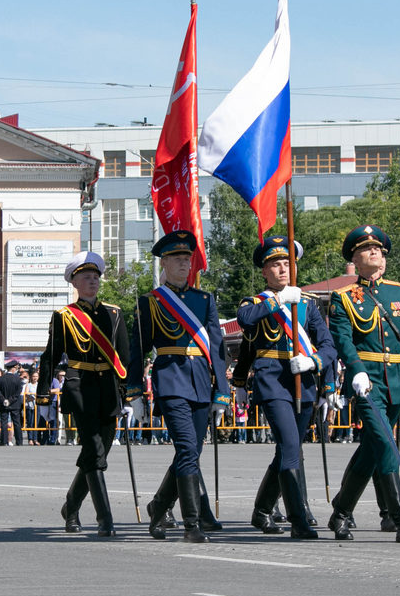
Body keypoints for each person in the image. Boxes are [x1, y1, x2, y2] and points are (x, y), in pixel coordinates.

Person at [125, 230, 231, 543]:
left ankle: (159, 506)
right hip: (170, 380)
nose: (185, 264)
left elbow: (217, 347)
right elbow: (138, 349)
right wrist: (134, 393)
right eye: (178, 259)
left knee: (190, 453)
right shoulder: (151, 302)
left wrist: (222, 390)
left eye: (188, 258)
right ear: (165, 263)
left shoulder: (204, 300)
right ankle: (191, 524)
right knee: (187, 449)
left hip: (201, 381)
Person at [325, 225, 400, 544]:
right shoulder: (344, 296)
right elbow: (343, 339)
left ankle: (341, 512)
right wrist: (355, 370)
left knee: (372, 448)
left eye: (378, 249)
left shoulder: (399, 292)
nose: (375, 253)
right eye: (367, 249)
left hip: (395, 382)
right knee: (383, 442)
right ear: (354, 257)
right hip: (367, 383)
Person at [235, 235, 337, 540]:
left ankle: (262, 510)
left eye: (287, 264)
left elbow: (328, 345)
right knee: (291, 446)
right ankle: (298, 519)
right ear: (265, 272)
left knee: (288, 450)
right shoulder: (256, 302)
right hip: (271, 381)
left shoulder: (308, 305)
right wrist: (279, 300)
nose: (283, 269)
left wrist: (315, 364)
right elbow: (245, 320)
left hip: (303, 381)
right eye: (276, 265)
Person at [37, 251, 129, 537]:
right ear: (74, 282)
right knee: (94, 449)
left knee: (98, 452)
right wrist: (43, 395)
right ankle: (105, 519)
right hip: (79, 385)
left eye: (95, 277)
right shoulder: (64, 316)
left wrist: (127, 392)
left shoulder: (113, 313)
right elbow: (50, 357)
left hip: (108, 388)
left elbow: (124, 354)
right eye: (86, 278)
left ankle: (71, 506)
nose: (92, 282)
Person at [0, 360, 26, 446]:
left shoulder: (0, 379)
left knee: (4, 423)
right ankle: (19, 441)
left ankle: (3, 441)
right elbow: (18, 393)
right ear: (13, 368)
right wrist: (10, 400)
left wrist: (3, 399)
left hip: (3, 403)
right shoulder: (18, 380)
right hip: (15, 403)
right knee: (16, 422)